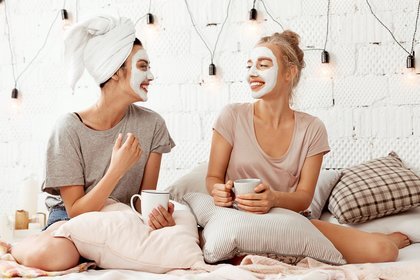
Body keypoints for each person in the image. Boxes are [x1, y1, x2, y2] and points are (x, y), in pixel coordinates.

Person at [206, 30, 411, 264]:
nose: (252, 73)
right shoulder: (231, 116)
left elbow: (303, 198)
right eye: (249, 65)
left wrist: (273, 200)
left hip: (291, 222)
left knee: (385, 251)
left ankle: (374, 238)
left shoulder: (312, 128)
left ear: (289, 73)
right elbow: (213, 176)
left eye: (263, 65)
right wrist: (218, 191)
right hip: (239, 222)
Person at [2, 15, 176, 271]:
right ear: (116, 72)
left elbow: (141, 202)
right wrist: (117, 169)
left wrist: (157, 214)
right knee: (57, 257)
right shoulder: (68, 129)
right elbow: (76, 211)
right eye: (142, 66)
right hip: (73, 218)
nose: (151, 74)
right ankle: (14, 247)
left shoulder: (153, 125)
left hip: (121, 219)